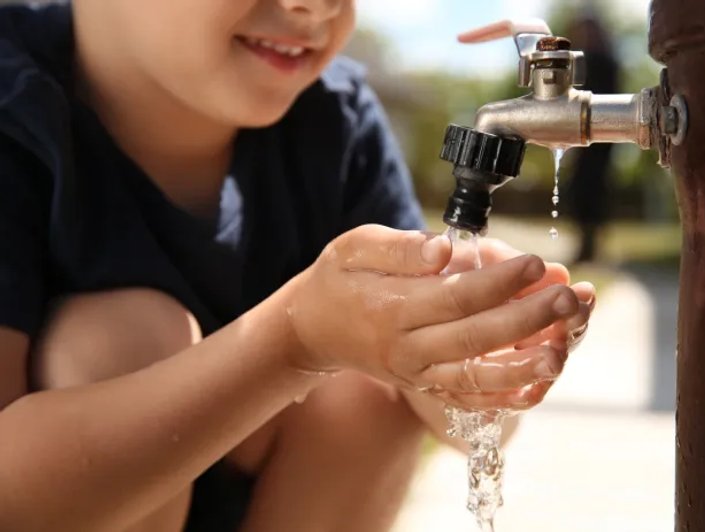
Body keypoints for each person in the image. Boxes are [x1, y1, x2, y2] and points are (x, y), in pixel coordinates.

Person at [0, 2, 595, 531]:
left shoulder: (334, 123)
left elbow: (464, 428)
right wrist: (292, 342)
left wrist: (467, 344)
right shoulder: (14, 102)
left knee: (373, 382)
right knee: (121, 340)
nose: (314, 6)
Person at [564, 10, 620, 263]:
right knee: (586, 189)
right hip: (597, 134)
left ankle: (589, 246)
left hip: (597, 134)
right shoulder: (605, 60)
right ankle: (587, 245)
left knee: (590, 189)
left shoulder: (593, 61)